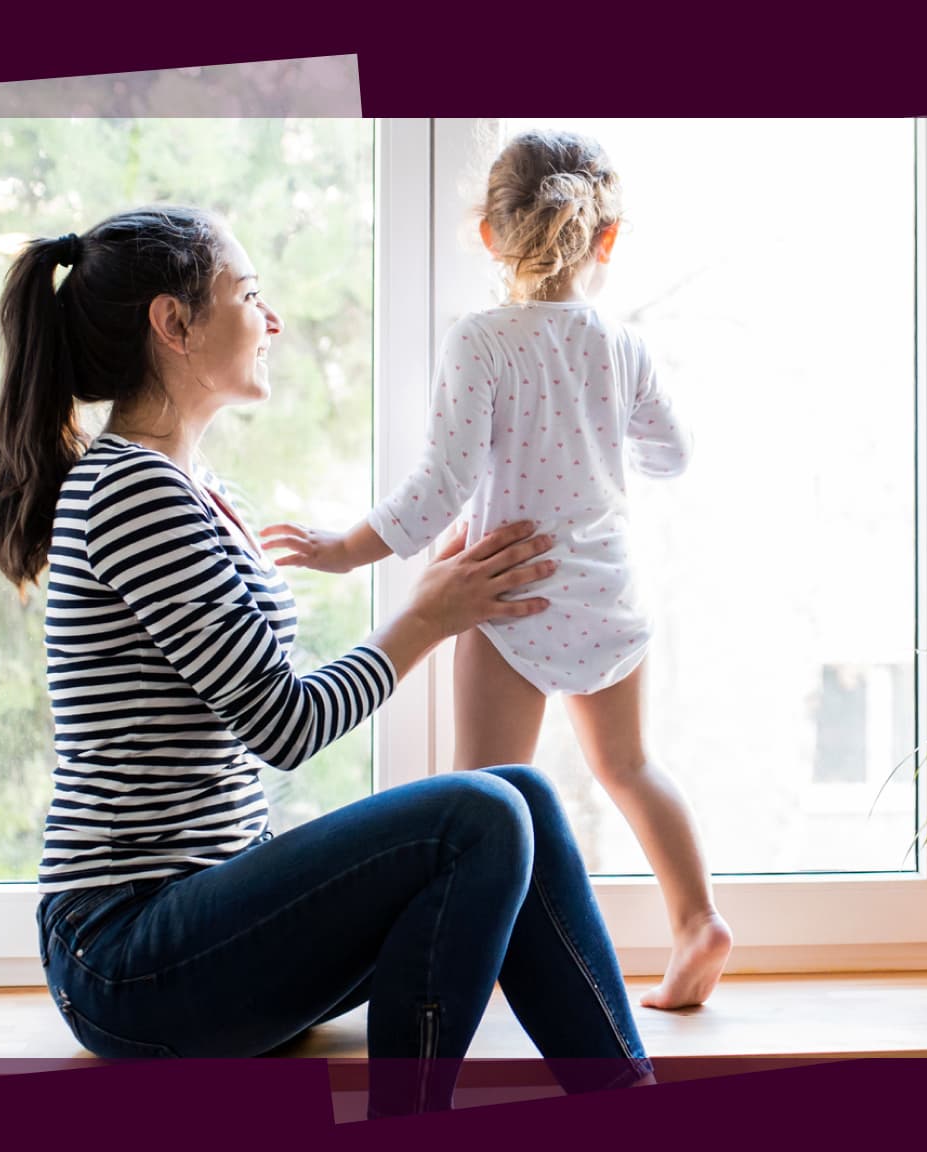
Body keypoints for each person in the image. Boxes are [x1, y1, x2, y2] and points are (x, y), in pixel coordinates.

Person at [0, 205, 652, 1115]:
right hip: (127, 954)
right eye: (250, 295)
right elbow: (285, 724)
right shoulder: (129, 492)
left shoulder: (195, 489)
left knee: (516, 793)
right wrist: (425, 618)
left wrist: (433, 600)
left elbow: (259, 703)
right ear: (173, 325)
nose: (274, 319)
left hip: (198, 919)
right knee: (482, 811)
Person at [260, 130, 732, 1010]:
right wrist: (597, 437)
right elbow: (674, 453)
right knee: (629, 766)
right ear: (608, 238)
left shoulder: (479, 343)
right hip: (606, 587)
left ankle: (482, 976)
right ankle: (698, 919)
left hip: (509, 590)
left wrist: (339, 549)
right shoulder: (619, 344)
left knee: (483, 802)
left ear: (488, 235)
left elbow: (438, 490)